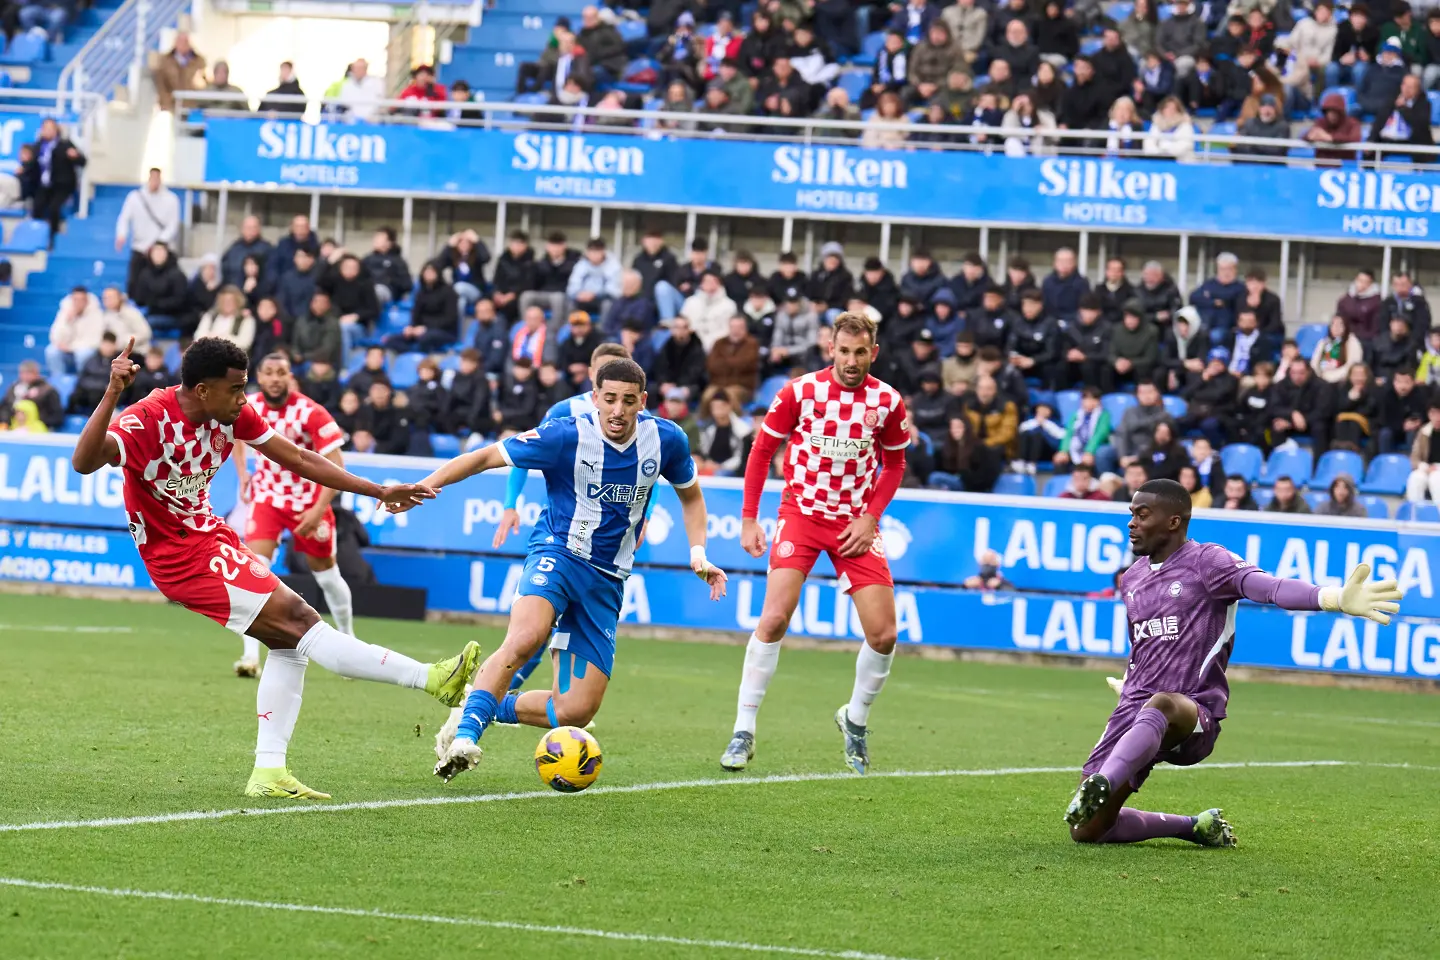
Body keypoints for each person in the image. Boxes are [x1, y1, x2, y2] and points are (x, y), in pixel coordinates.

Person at [69, 337, 478, 799]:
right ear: (203, 390)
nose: (245, 399)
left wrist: (378, 491)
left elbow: (301, 459)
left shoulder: (231, 413)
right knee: (302, 621)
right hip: (178, 557)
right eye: (237, 388)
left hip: (210, 537)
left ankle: (268, 773)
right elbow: (84, 461)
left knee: (289, 645)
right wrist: (111, 393)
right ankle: (432, 679)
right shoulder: (149, 417)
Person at [424, 359, 727, 781]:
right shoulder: (565, 434)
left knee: (575, 712)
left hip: (607, 578)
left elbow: (691, 497)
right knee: (526, 637)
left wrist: (698, 553)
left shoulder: (667, 439)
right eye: (609, 399)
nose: (618, 410)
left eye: (627, 401)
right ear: (595, 396)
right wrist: (423, 487)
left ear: (643, 401)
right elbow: (487, 456)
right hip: (558, 553)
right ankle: (465, 736)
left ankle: (480, 707)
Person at [1065, 479, 1402, 846]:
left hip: (1191, 716)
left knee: (1163, 703)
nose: (1131, 522)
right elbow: (1143, 644)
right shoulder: (1132, 579)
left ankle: (1106, 780)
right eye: (1131, 514)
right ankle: (1192, 826)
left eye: (1142, 514)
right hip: (1135, 709)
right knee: (1087, 830)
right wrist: (1131, 683)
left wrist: (1332, 597)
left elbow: (1269, 588)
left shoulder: (1207, 562)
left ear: (1174, 521)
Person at [720, 312, 908, 776]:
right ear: (831, 349)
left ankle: (855, 720)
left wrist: (869, 517)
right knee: (775, 617)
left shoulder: (887, 401)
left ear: (873, 353)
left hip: (853, 525)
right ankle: (743, 730)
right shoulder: (799, 391)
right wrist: (749, 519)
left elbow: (894, 465)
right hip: (801, 515)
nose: (851, 360)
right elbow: (762, 452)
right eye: (843, 351)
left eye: (860, 352)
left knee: (883, 634)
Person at [231, 351, 356, 680]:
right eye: (268, 372)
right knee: (254, 572)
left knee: (327, 576)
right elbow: (235, 437)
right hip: (267, 498)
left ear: (290, 376)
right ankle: (249, 657)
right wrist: (243, 473)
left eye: (280, 372)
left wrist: (318, 510)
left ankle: (351, 643)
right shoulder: (246, 404)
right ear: (258, 375)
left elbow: (337, 467)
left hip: (307, 501)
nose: (274, 378)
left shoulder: (310, 412)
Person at [116, 168, 181, 298]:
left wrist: (158, 243)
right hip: (140, 247)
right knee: (135, 281)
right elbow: (124, 217)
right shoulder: (135, 197)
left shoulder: (171, 199)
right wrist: (121, 234)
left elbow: (173, 224)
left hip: (161, 250)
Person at [24, 118, 85, 245]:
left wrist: (75, 156)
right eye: (45, 128)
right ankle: (37, 236)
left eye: (50, 128)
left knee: (54, 208)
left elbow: (83, 161)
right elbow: (31, 166)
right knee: (37, 207)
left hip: (62, 185)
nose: (48, 131)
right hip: (44, 185)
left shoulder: (65, 144)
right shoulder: (38, 146)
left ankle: (53, 237)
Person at [194, 285, 255, 353]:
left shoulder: (245, 319)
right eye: (224, 300)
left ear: (238, 302)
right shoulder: (210, 316)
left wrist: (221, 338)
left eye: (231, 300)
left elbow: (245, 343)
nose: (227, 303)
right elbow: (198, 336)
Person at [1312, 314, 1364, 385]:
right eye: (1333, 324)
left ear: (1346, 327)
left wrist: (1332, 377)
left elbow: (1352, 366)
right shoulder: (1324, 342)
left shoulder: (1352, 342)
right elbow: (1314, 363)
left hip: (1341, 381)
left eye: (1340, 324)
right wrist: (1319, 376)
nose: (1336, 327)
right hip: (1322, 379)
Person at [1405, 401, 1440, 503]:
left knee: (1436, 478)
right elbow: (1414, 457)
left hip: (1438, 470)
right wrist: (1423, 466)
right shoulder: (1424, 431)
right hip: (1426, 468)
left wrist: (1436, 468)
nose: (1437, 417)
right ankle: (1415, 513)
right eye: (1434, 413)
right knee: (1415, 477)